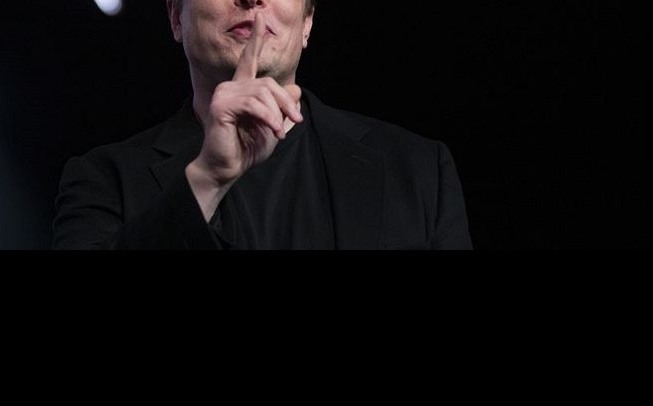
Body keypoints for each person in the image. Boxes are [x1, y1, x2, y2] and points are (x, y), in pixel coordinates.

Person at [53, 0, 472, 249]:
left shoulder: (418, 169)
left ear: (307, 22)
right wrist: (206, 179)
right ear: (176, 18)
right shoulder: (102, 179)